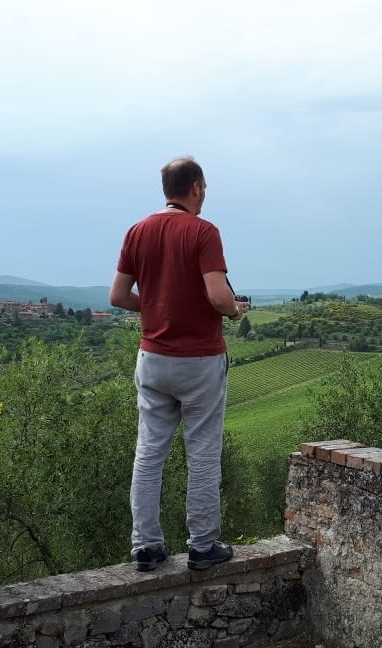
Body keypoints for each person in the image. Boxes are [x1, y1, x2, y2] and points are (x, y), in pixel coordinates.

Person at [109, 157, 248, 572]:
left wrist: (156, 306)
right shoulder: (204, 232)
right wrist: (234, 310)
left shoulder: (137, 231)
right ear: (197, 188)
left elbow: (118, 296)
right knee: (202, 452)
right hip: (199, 359)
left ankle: (146, 546)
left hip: (152, 357)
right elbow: (218, 296)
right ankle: (203, 547)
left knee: (149, 452)